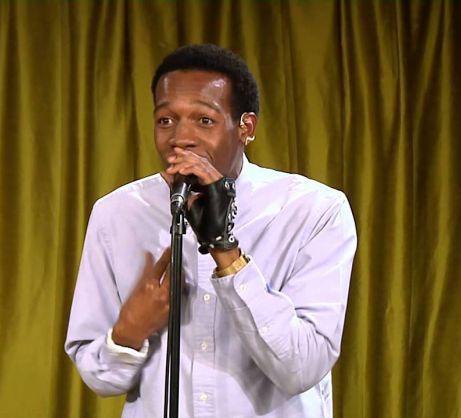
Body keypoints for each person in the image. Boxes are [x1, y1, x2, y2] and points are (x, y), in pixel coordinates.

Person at [65, 44, 357, 418]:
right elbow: (98, 377)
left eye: (204, 120)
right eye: (165, 120)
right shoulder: (117, 214)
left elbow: (302, 367)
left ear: (246, 128)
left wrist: (224, 249)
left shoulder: (313, 210)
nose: (180, 137)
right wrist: (128, 332)